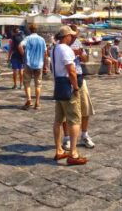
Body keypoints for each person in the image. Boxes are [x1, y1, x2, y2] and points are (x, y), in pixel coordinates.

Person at [51, 25, 88, 165]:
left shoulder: (54, 48)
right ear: (66, 36)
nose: (73, 37)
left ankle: (59, 149)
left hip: (58, 86)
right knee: (74, 119)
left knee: (58, 120)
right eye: (71, 36)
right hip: (67, 86)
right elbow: (71, 71)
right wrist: (76, 87)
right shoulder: (66, 50)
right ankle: (73, 153)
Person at [63, 25, 96, 149]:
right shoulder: (61, 45)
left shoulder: (78, 43)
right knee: (67, 111)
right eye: (74, 33)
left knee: (85, 108)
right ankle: (67, 138)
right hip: (66, 79)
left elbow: (85, 59)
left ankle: (84, 134)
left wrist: (81, 54)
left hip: (80, 77)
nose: (76, 35)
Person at [22, 24, 48, 110]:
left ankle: (29, 99)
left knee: (27, 82)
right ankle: (37, 102)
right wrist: (45, 65)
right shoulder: (42, 39)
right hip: (39, 63)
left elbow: (19, 46)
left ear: (30, 30)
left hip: (29, 63)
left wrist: (24, 55)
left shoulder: (28, 38)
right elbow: (45, 53)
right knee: (38, 84)